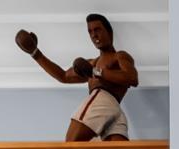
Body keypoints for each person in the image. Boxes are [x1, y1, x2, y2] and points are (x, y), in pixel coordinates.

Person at [13, 13, 138, 142]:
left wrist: (96, 72)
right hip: (115, 111)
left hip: (103, 100)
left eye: (97, 29)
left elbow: (132, 78)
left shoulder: (119, 56)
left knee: (71, 144)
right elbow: (63, 76)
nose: (93, 34)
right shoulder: (91, 63)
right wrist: (35, 53)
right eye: (90, 31)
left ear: (109, 32)